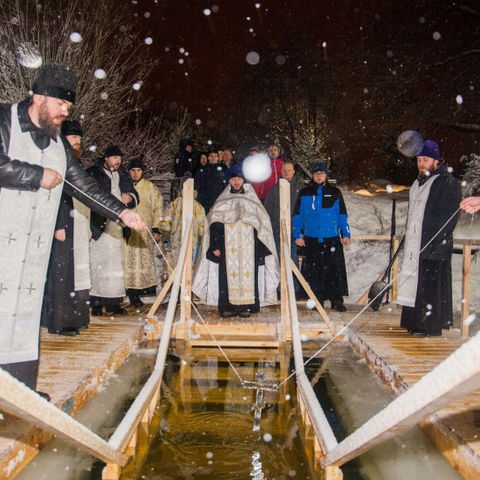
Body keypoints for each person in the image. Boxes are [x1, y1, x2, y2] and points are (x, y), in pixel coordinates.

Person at [0, 63, 145, 392]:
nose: (66, 111)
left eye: (69, 106)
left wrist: (122, 213)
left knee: (23, 312)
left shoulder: (57, 144)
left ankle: (20, 391)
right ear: (39, 97)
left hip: (31, 249)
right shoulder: (4, 120)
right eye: (62, 104)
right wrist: (36, 175)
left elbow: (82, 187)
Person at [193, 165, 279, 318]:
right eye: (234, 179)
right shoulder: (223, 200)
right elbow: (214, 224)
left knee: (249, 276)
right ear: (230, 181)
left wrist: (260, 248)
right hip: (227, 246)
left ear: (243, 181)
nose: (237, 182)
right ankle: (228, 307)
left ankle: (247, 306)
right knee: (226, 276)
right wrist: (215, 245)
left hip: (249, 246)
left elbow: (262, 225)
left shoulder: (252, 200)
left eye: (239, 179)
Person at [397, 140, 462, 337]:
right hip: (416, 244)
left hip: (434, 246)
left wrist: (435, 241)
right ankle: (414, 322)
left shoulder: (447, 183)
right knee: (417, 285)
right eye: (419, 160)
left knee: (430, 288)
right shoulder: (417, 184)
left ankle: (429, 326)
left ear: (436, 160)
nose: (421, 164)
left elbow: (449, 217)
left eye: (425, 159)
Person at [41, 120, 92, 336]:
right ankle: (59, 323)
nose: (77, 144)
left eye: (79, 141)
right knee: (61, 276)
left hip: (76, 224)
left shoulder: (73, 163)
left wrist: (87, 226)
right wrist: (58, 225)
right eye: (74, 140)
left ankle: (74, 318)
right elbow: (57, 196)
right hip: (62, 225)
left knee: (74, 275)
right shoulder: (57, 160)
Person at [87, 145, 139, 316]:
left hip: (117, 225)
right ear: (106, 158)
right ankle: (95, 303)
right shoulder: (94, 173)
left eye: (120, 158)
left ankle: (113, 303)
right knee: (97, 264)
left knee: (115, 265)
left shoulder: (123, 175)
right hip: (99, 224)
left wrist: (129, 197)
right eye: (114, 158)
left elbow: (134, 195)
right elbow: (89, 196)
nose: (118, 161)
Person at [293, 162, 350, 311]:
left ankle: (336, 300)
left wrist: (345, 233)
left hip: (331, 238)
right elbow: (297, 216)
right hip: (311, 239)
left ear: (326, 175)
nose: (319, 176)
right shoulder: (304, 193)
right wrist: (297, 235)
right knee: (314, 273)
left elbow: (342, 215)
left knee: (334, 272)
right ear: (312, 175)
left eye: (322, 173)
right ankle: (316, 301)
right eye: (316, 174)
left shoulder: (335, 192)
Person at [124, 158, 164, 307]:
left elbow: (158, 208)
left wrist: (156, 227)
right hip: (127, 231)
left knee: (143, 261)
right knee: (128, 262)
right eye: (133, 171)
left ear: (142, 172)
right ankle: (131, 292)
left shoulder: (150, 187)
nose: (135, 174)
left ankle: (144, 290)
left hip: (144, 231)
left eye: (138, 170)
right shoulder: (124, 186)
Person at [264, 161, 305, 293]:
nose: (286, 172)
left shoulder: (300, 189)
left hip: (293, 231)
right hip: (277, 231)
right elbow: (268, 211)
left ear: (294, 172)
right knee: (278, 260)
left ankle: (294, 290)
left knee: (292, 259)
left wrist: (300, 229)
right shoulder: (274, 190)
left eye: (289, 170)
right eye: (284, 170)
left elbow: (303, 211)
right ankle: (279, 290)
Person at [160, 171, 206, 275]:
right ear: (181, 190)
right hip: (176, 240)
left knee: (190, 265)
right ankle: (175, 286)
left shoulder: (198, 207)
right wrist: (166, 237)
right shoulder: (174, 205)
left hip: (192, 241)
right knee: (175, 264)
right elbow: (166, 220)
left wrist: (200, 238)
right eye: (184, 189)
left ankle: (188, 288)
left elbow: (202, 224)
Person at [194, 149, 228, 214]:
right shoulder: (202, 170)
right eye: (211, 156)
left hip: (218, 200)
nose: (213, 158)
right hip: (205, 201)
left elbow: (225, 185)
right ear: (208, 158)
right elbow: (197, 184)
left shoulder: (223, 171)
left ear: (218, 158)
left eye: (215, 156)